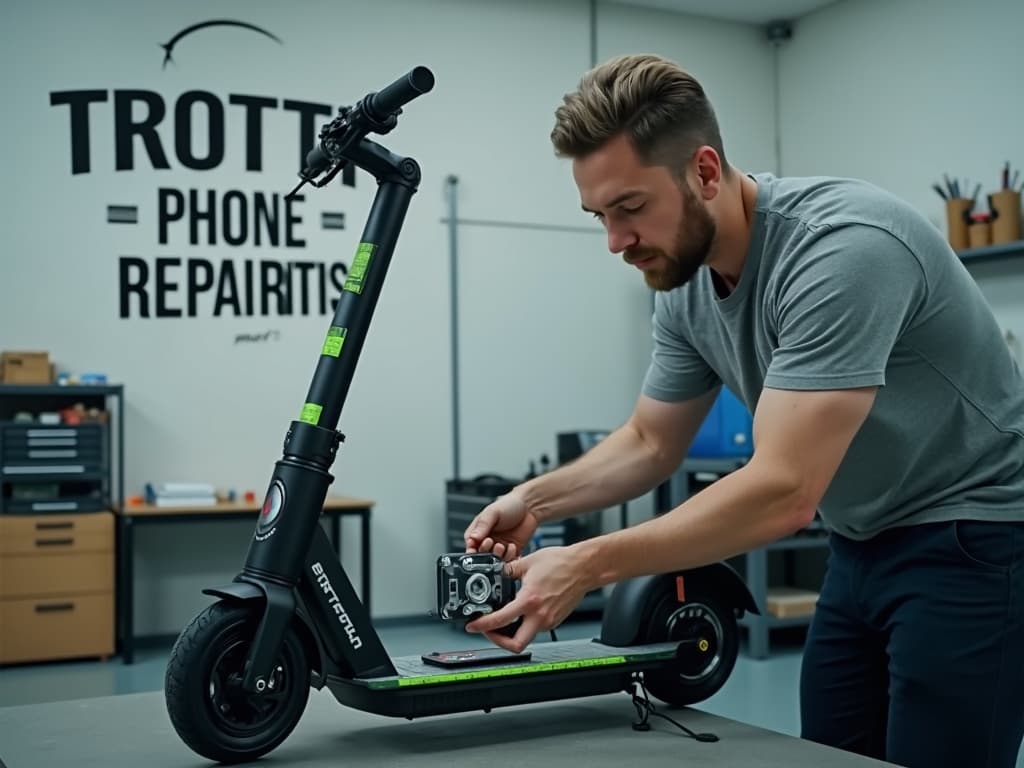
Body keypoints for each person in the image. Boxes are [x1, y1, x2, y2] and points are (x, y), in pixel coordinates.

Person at [461, 53, 1024, 768]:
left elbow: (785, 491)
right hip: (859, 544)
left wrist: (589, 563)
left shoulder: (842, 249)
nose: (615, 242)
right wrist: (534, 500)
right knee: (833, 754)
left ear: (703, 171)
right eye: (600, 216)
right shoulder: (682, 281)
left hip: (974, 540)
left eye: (630, 208)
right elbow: (648, 441)